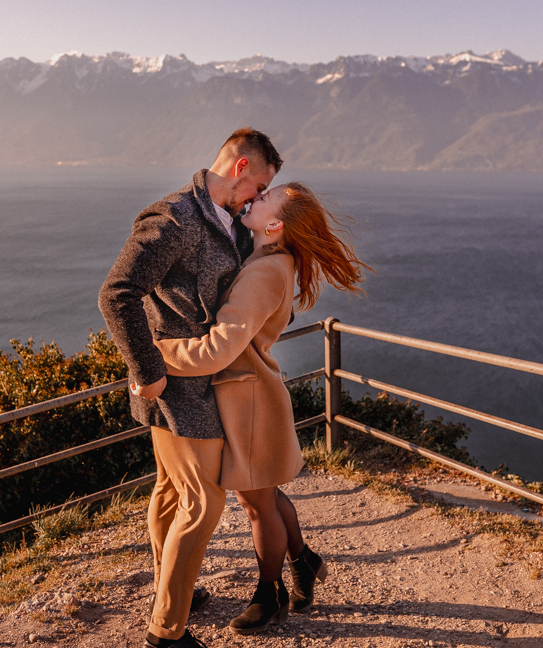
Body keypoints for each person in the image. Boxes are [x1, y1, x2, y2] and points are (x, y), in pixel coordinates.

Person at [154, 182, 370, 635]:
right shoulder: (264, 260)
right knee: (263, 496)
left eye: (266, 198)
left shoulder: (264, 272)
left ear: (274, 225)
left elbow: (216, 350)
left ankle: (268, 594)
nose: (257, 196)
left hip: (248, 400)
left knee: (257, 504)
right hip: (246, 394)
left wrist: (160, 353)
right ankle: (304, 561)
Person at [99, 128, 282, 648]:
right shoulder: (175, 218)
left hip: (195, 382)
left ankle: (168, 590)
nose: (257, 197)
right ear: (242, 167)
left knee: (169, 492)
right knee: (203, 503)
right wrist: (148, 370)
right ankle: (166, 632)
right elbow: (116, 294)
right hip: (175, 386)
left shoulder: (226, 221)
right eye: (260, 184)